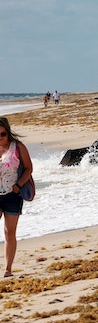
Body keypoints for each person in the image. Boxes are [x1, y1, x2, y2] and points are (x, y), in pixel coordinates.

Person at [0, 117, 33, 277]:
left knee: (9, 232)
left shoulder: (18, 147)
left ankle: (8, 269)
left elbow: (28, 168)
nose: (0, 137)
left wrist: (18, 185)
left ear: (8, 132)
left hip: (12, 194)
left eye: (2, 134)